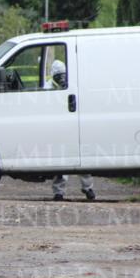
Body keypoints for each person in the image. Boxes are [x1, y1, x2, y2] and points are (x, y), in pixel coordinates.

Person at [45, 60, 95, 201]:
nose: (61, 78)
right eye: (58, 75)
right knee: (61, 164)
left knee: (83, 161)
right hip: (59, 128)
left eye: (63, 75)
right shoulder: (48, 87)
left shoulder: (72, 83)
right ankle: (58, 192)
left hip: (74, 126)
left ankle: (88, 188)